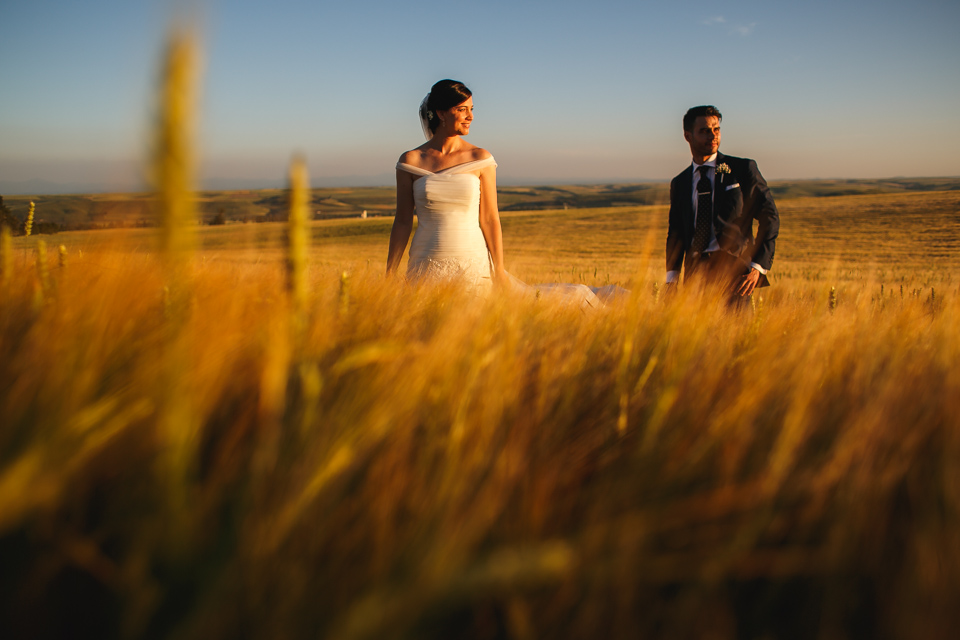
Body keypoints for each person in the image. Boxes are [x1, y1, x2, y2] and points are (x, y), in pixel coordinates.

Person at [387, 79, 621, 306]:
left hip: (471, 259)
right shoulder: (410, 161)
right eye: (462, 109)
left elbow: (489, 218)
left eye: (471, 109)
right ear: (440, 113)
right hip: (425, 261)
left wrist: (498, 269)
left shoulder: (480, 158)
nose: (471, 116)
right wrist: (390, 273)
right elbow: (403, 221)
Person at [665, 105, 779, 300]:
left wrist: (757, 267)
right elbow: (676, 233)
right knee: (697, 331)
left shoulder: (742, 169)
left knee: (737, 330)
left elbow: (770, 217)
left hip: (736, 273)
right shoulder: (680, 182)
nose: (713, 136)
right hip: (695, 276)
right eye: (704, 131)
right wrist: (672, 279)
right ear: (687, 136)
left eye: (716, 129)